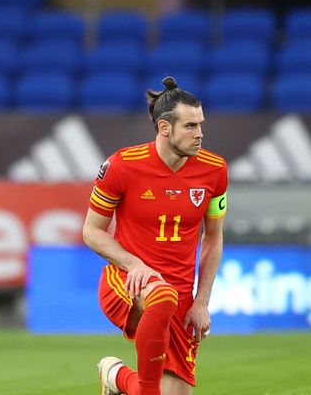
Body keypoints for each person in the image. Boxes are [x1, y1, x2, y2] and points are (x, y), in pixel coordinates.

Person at [84, 76, 227, 395]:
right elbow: (91, 232)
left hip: (181, 297)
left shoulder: (215, 170)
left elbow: (213, 238)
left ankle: (115, 375)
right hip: (128, 282)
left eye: (201, 125)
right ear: (164, 128)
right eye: (190, 126)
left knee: (174, 392)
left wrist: (201, 301)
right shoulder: (122, 165)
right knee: (161, 296)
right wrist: (133, 264)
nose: (200, 134)